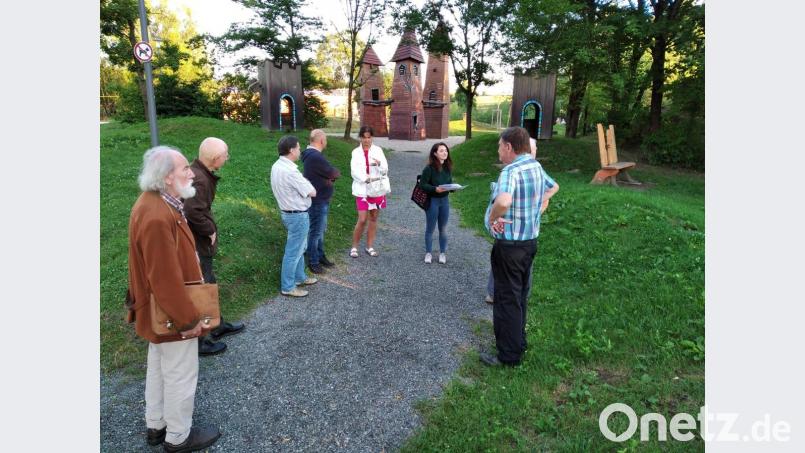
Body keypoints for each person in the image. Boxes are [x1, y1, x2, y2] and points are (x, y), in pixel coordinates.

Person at [126, 146, 221, 451]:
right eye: (184, 170)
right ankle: (178, 436)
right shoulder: (155, 214)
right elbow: (164, 278)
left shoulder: (159, 203)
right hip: (170, 310)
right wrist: (188, 320)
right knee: (180, 371)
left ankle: (156, 426)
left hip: (159, 310)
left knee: (159, 366)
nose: (191, 172)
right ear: (167, 177)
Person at [480, 128, 559, 367]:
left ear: (509, 147)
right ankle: (519, 342)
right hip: (529, 243)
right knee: (520, 296)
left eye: (499, 146)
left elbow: (504, 201)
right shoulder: (535, 166)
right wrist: (539, 207)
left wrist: (493, 218)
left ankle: (508, 355)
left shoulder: (511, 170)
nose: (498, 150)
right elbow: (554, 187)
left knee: (506, 300)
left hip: (510, 246)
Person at [184, 137, 245, 356]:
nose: (227, 158)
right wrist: (209, 230)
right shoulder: (199, 179)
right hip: (196, 243)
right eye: (225, 155)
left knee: (209, 283)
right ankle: (200, 342)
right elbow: (191, 211)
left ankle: (216, 325)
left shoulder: (199, 173)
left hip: (199, 242)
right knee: (202, 288)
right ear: (215, 158)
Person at [485, 137, 539, 304]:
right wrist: (494, 218)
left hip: (522, 236)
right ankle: (494, 293)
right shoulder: (514, 170)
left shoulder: (534, 169)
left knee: (521, 272)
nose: (532, 152)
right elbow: (502, 201)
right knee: (501, 264)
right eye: (530, 148)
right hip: (509, 234)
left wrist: (534, 212)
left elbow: (550, 189)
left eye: (534, 148)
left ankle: (518, 297)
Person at [270, 135, 319, 297]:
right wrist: (306, 185)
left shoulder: (277, 166)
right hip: (298, 216)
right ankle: (288, 286)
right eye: (298, 148)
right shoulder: (291, 171)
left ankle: (299, 277)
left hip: (288, 214)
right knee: (293, 251)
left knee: (300, 248)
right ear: (291, 150)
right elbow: (312, 192)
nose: (300, 151)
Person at [301, 129, 341, 274]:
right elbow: (333, 172)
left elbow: (328, 173)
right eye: (326, 139)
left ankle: (320, 255)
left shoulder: (311, 155)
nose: (326, 142)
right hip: (318, 200)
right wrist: (332, 175)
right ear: (322, 141)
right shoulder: (316, 157)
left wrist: (329, 175)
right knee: (315, 232)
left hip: (319, 198)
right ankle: (313, 261)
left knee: (319, 231)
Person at [349, 125, 389, 258]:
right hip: (362, 189)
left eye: (369, 137)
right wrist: (365, 179)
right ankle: (354, 247)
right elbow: (354, 171)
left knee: (373, 217)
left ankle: (369, 246)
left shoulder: (378, 150)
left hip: (377, 189)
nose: (366, 140)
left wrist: (379, 165)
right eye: (364, 137)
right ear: (360, 138)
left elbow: (385, 170)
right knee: (362, 219)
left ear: (372, 137)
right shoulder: (355, 152)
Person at [419, 142, 453, 264]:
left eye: (446, 150)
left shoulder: (447, 167)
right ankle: (428, 253)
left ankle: (442, 253)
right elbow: (422, 185)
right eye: (441, 151)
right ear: (435, 153)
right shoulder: (429, 169)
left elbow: (449, 182)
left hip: (445, 201)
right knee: (430, 228)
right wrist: (435, 189)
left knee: (443, 228)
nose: (445, 153)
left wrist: (453, 188)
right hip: (432, 201)